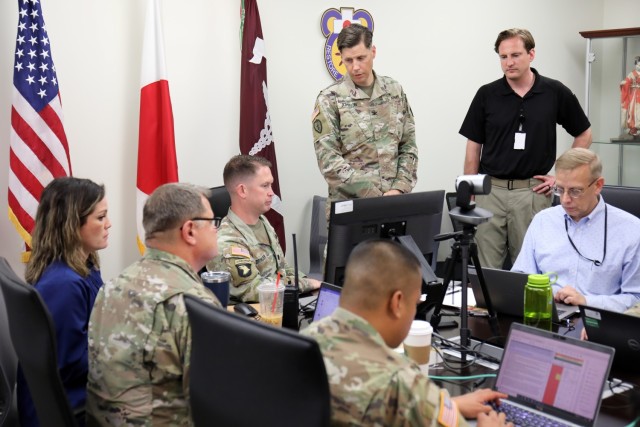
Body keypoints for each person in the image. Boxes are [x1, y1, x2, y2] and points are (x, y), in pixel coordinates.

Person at [303, 239, 511, 426]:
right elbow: (407, 401)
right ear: (397, 302)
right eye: (415, 303)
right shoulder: (401, 382)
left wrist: (446, 405)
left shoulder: (303, 341)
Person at [87, 183, 221, 426]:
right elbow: (219, 404)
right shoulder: (192, 304)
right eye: (213, 222)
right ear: (189, 230)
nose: (216, 230)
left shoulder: (113, 286)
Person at [459, 28, 592, 269]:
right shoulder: (487, 94)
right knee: (486, 269)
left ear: (531, 54)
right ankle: (489, 309)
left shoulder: (553, 92)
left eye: (515, 55)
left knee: (531, 268)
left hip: (532, 193)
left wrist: (560, 178)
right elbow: (473, 146)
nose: (508, 63)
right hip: (490, 192)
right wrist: (469, 191)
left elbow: (584, 133)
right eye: (503, 57)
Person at [16, 177, 110, 427]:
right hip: (72, 406)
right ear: (72, 225)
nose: (108, 224)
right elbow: (72, 365)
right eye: (100, 218)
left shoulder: (79, 267)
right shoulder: (64, 285)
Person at [512, 148, 640, 312]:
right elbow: (520, 277)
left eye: (575, 191)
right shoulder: (543, 220)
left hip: (596, 321)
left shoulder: (631, 230)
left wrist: (587, 301)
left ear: (598, 185)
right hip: (544, 313)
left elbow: (636, 300)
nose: (565, 200)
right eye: (559, 190)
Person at [312, 23, 418, 219]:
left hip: (394, 205)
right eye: (348, 60)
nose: (356, 67)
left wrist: (399, 189)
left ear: (373, 51)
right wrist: (375, 197)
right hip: (351, 210)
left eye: (361, 58)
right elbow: (328, 160)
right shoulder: (329, 99)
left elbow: (408, 145)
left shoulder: (394, 91)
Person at [207, 155, 321, 302]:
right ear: (242, 190)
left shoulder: (262, 221)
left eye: (271, 185)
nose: (272, 192)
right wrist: (306, 284)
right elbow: (254, 290)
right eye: (265, 185)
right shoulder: (227, 241)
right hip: (255, 317)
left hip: (280, 305)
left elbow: (283, 269)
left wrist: (312, 285)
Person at [620, 56, 640, 138]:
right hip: (633, 96)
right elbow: (627, 82)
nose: (638, 67)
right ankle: (633, 128)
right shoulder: (631, 74)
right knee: (632, 112)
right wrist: (624, 83)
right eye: (638, 65)